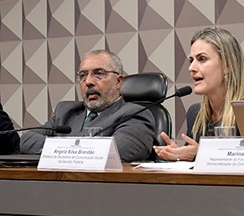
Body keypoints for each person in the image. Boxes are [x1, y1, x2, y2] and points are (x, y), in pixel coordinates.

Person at [20, 50, 155, 163]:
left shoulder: (136, 114)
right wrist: (78, 149)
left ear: (119, 82)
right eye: (83, 75)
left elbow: (111, 154)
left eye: (99, 73)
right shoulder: (66, 111)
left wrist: (56, 148)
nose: (89, 81)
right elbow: (27, 140)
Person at [153, 27, 244, 161]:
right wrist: (179, 155)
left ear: (228, 65)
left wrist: (200, 153)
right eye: (191, 60)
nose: (191, 68)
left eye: (202, 59)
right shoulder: (195, 113)